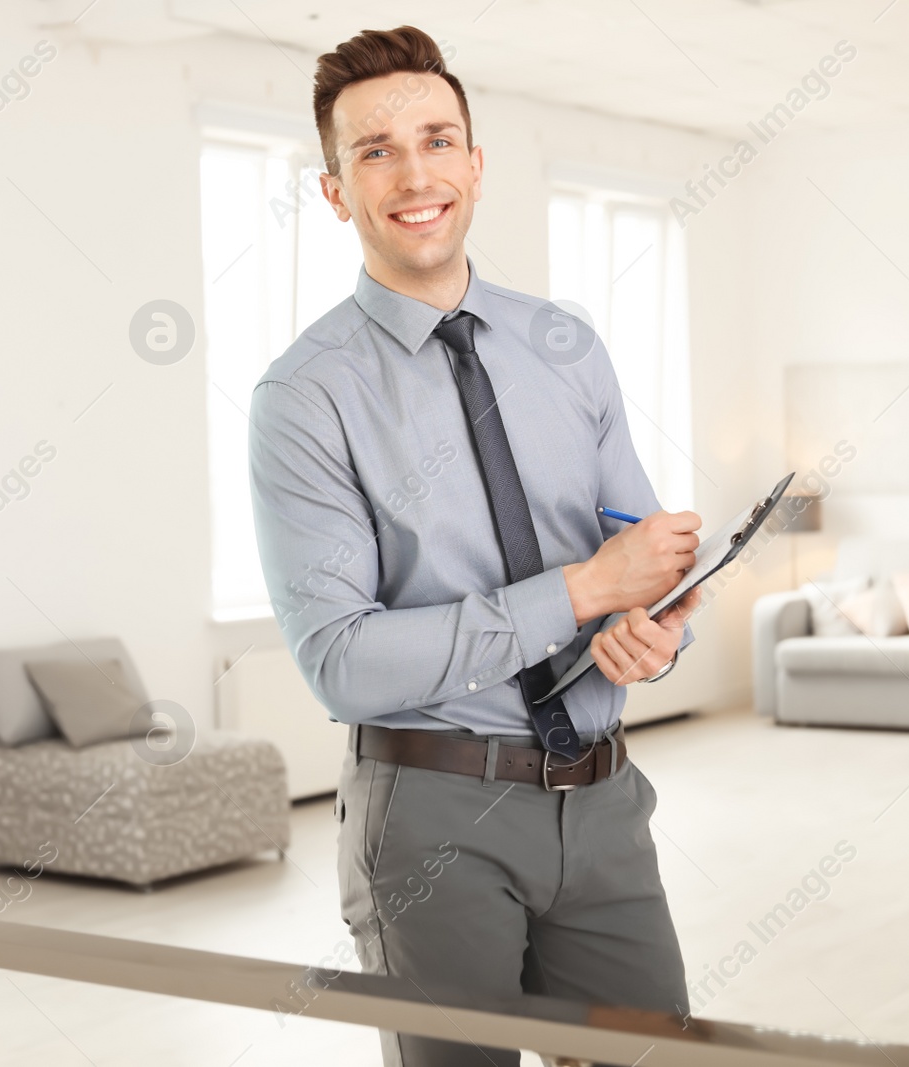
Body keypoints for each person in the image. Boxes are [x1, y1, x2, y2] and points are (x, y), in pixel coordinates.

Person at [248, 25, 703, 1067]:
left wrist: (654, 625)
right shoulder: (304, 396)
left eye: (437, 139)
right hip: (431, 813)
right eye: (375, 150)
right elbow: (344, 661)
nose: (414, 173)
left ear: (475, 163)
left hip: (603, 805)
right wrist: (580, 589)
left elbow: (639, 552)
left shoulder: (565, 345)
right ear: (333, 191)